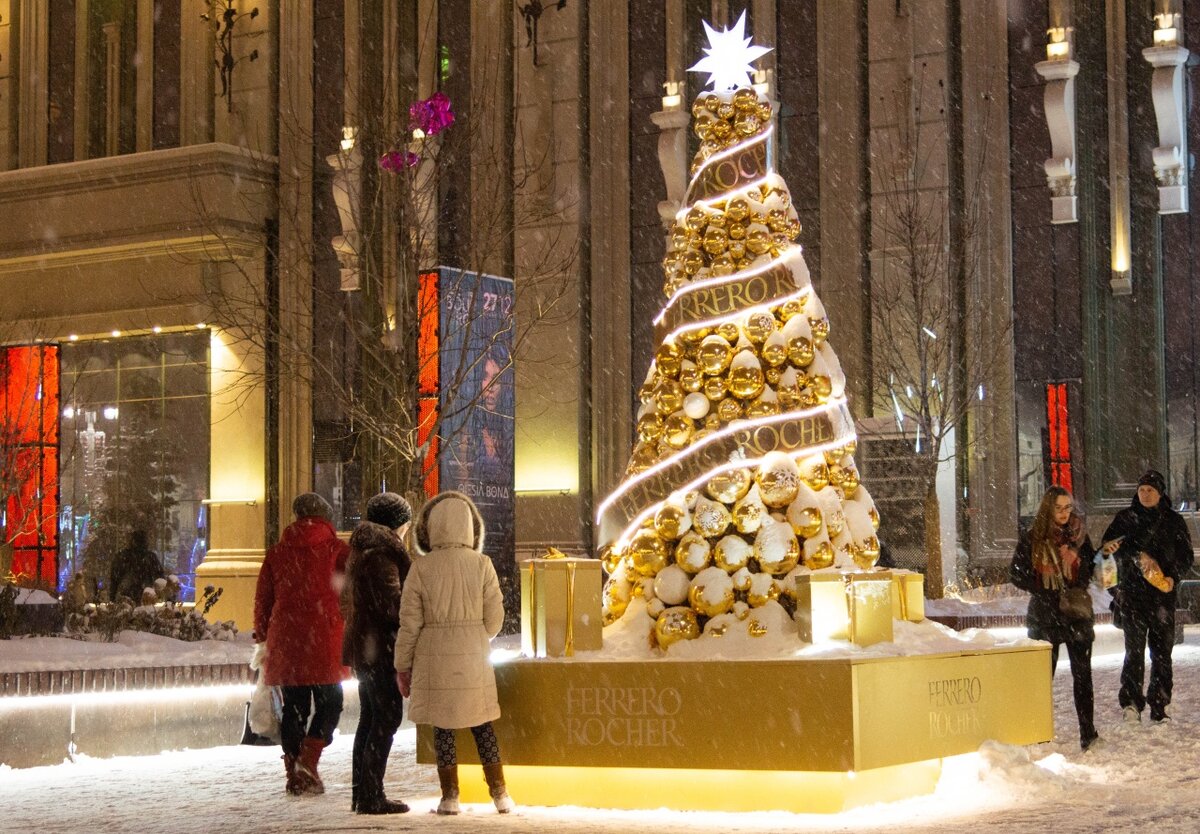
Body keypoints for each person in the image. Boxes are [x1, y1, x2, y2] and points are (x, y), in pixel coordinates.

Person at [393, 490, 514, 815]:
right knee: (482, 724)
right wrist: (475, 633)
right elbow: (495, 619)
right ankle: (500, 794)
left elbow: (410, 624)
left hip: (434, 657)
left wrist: (402, 665)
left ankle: (450, 797)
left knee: (443, 728)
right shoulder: (482, 564)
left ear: (430, 528)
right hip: (474, 655)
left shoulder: (421, 568)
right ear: (470, 528)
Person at [253, 492, 349, 796]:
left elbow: (263, 599)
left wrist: (261, 635)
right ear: (326, 516)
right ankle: (308, 760)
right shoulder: (337, 550)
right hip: (326, 637)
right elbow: (350, 595)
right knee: (330, 703)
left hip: (288, 639)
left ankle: (293, 770)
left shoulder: (277, 552)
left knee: (294, 707)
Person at [1100, 469, 1194, 724]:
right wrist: (1114, 589)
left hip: (1162, 598)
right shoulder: (1124, 519)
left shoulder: (1173, 521)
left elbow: (1186, 555)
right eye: (1141, 489)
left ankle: (1159, 704)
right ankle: (1131, 703)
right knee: (1134, 652)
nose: (1145, 494)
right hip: (1132, 598)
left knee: (1162, 653)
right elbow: (1104, 556)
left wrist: (1172, 576)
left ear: (1160, 492)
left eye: (1150, 490)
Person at [1010, 486, 1098, 751]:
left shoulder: (1080, 536)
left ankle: (1088, 733)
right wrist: (1043, 589)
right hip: (1045, 616)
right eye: (1058, 508)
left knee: (1083, 676)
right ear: (1048, 508)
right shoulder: (1033, 537)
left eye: (1068, 507)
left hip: (1076, 614)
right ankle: (1037, 731)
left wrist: (1076, 560)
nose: (1064, 513)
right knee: (1041, 678)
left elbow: (1092, 569)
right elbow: (1016, 573)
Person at [340, 492, 413, 815]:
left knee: (370, 718)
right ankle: (371, 795)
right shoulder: (382, 552)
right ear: (397, 523)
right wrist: (413, 614)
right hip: (380, 647)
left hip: (365, 645)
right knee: (385, 717)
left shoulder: (362, 548)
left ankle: (363, 793)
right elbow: (391, 605)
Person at [108, 529, 164, 603]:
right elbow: (160, 579)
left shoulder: (123, 557)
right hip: (146, 597)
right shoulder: (150, 557)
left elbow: (114, 579)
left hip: (126, 598)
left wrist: (112, 597)